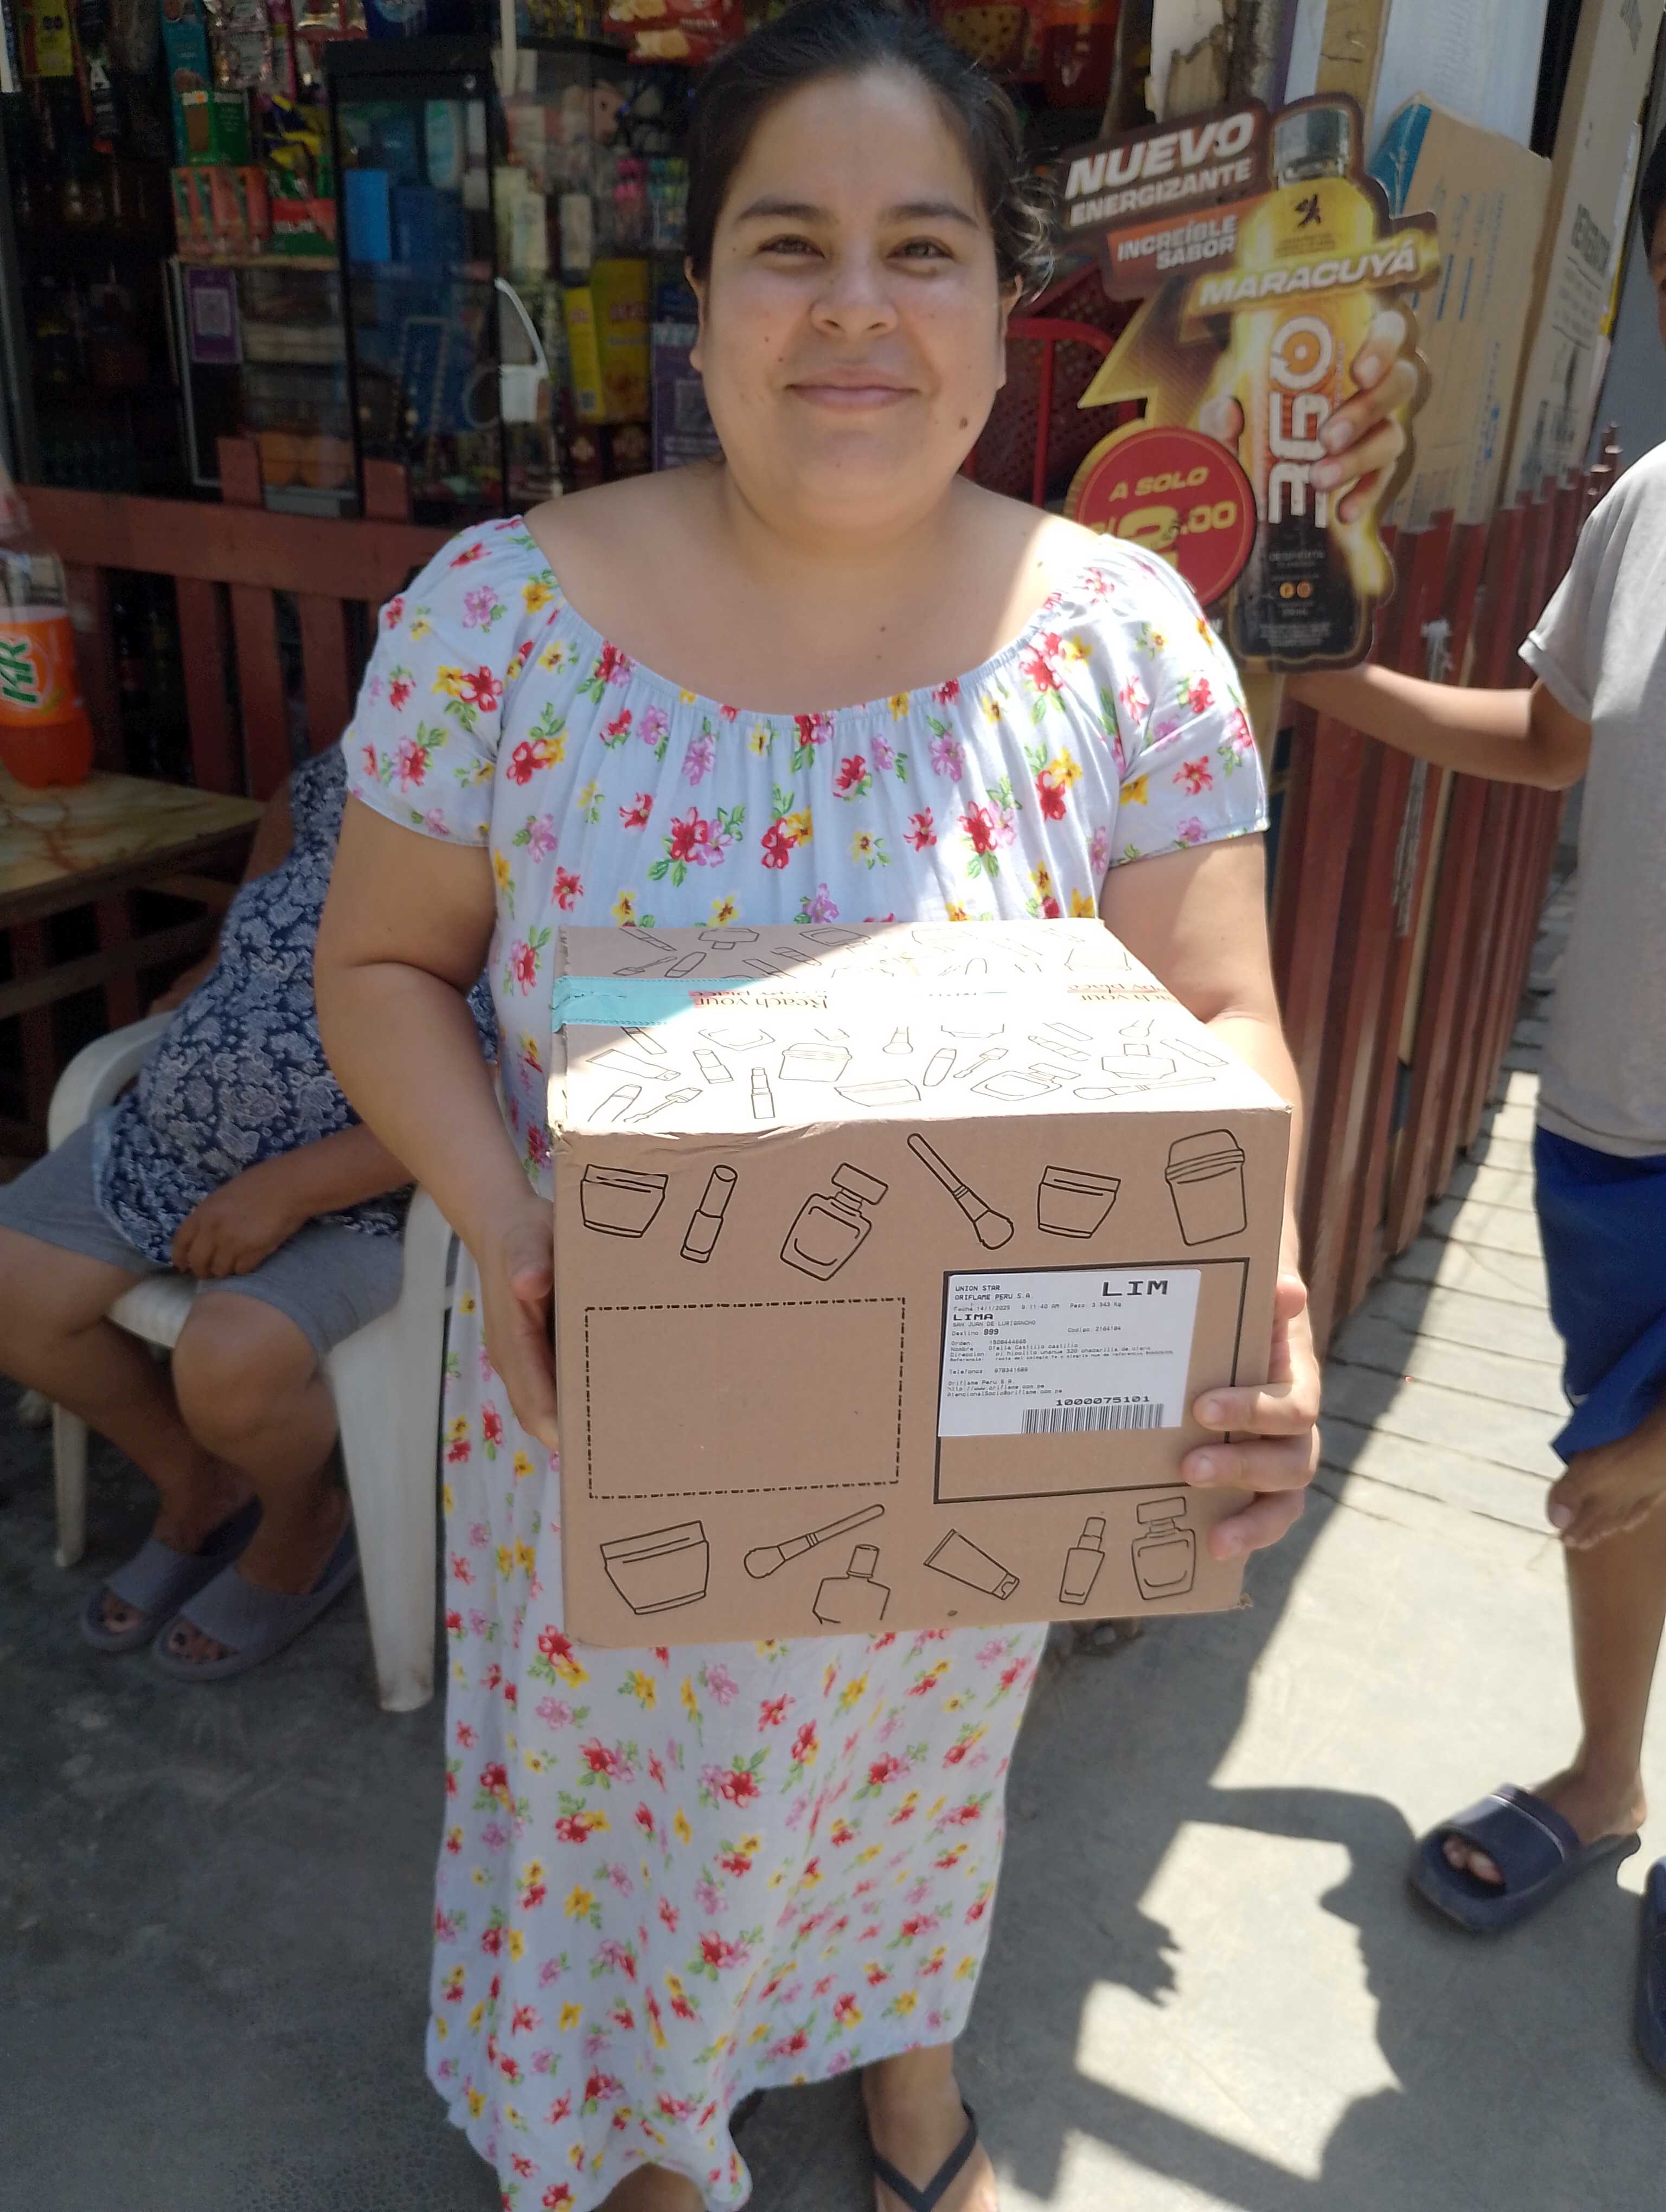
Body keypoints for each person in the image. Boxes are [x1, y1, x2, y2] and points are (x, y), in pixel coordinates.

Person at [316, 7, 1322, 2207]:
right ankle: (643, 2142)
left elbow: (1217, 1009)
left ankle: (904, 2075)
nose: (855, 305)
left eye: (921, 248)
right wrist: (515, 1228)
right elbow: (379, 973)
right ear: (699, 300)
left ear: (1001, 303)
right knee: (618, 1827)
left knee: (918, 1781)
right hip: (600, 1415)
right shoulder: (502, 624)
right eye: (789, 244)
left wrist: (1259, 1299)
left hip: (973, 1428)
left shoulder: (1121, 646)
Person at [1287, 123, 1666, 2073]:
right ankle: (1607, 1775)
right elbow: (1547, 741)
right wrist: (1326, 681)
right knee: (1614, 1481)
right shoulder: (1651, 507)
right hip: (1616, 1125)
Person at [0, 745, 489, 1680]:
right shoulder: (377, 754)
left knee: (230, 1369)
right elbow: (290, 801)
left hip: (374, 1192)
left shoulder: (563, 833)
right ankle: (199, 1486)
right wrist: (222, 961)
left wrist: (289, 1188)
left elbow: (515, 1094)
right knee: (13, 1288)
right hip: (172, 1142)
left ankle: (302, 1522)